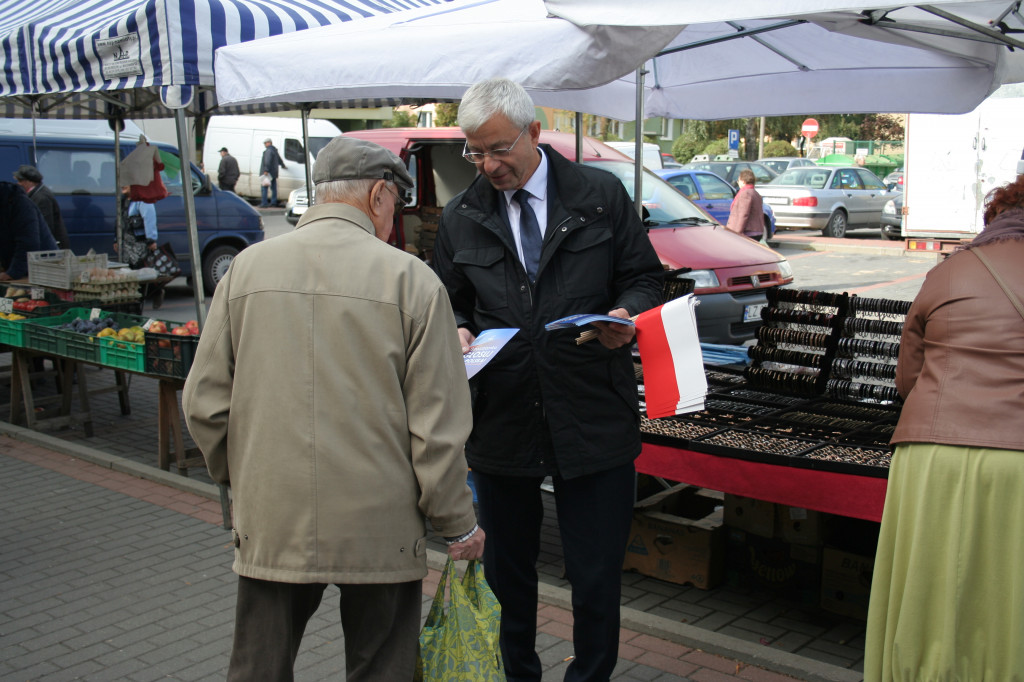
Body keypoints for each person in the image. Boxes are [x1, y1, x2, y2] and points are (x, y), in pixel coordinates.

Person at [182, 134, 484, 682]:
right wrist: (458, 523)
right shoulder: (413, 282)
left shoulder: (246, 270)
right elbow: (436, 429)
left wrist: (243, 474)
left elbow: (203, 402)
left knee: (258, 666)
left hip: (274, 509)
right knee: (382, 667)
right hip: (382, 519)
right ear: (377, 197)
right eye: (395, 202)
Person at [432, 78, 663, 682]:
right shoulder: (462, 216)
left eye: (498, 149)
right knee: (510, 576)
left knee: (594, 575)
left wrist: (624, 316)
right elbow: (447, 299)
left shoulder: (599, 196)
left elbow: (644, 277)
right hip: (503, 417)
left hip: (592, 411)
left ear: (534, 132)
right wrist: (456, 327)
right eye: (474, 152)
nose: (487, 165)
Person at [864, 174, 1024, 681]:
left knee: (931, 591)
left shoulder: (950, 271)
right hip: (1017, 461)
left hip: (931, 457)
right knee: (1005, 597)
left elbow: (908, 377)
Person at [120, 187, 172, 309]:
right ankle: (134, 301)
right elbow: (119, 221)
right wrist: (116, 239)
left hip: (140, 244)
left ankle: (151, 294)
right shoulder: (123, 201)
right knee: (130, 273)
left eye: (126, 183)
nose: (122, 186)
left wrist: (151, 239)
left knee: (142, 272)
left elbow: (149, 218)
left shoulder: (142, 201)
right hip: (127, 245)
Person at [0, 181, 59, 281]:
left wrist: (12, 273)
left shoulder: (21, 204)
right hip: (18, 267)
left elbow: (28, 243)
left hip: (44, 267)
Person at [13, 164, 70, 249]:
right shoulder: (35, 194)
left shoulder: (42, 198)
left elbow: (45, 226)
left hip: (50, 247)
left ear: (29, 182)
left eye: (20, 181)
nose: (18, 184)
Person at [725, 168, 765, 241]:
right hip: (756, 230)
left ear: (743, 181)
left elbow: (743, 214)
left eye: (738, 180)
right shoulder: (755, 193)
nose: (738, 183)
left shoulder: (745, 194)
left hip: (748, 232)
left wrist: (737, 233)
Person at [258, 137, 286, 207]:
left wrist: (266, 170)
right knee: (273, 188)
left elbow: (267, 160)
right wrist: (283, 165)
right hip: (274, 173)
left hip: (268, 173)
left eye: (265, 143)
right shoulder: (274, 150)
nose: (265, 145)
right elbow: (279, 160)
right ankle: (273, 202)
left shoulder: (268, 151)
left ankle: (264, 203)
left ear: (269, 143)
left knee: (264, 187)